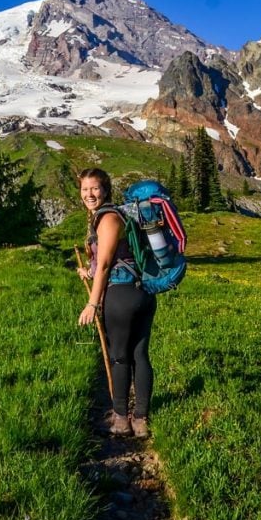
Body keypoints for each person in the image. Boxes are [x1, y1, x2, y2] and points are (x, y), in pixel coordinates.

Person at [76, 168, 157, 438]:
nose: (89, 194)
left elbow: (107, 264)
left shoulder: (108, 218)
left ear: (105, 189)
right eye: (85, 189)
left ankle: (122, 420)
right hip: (142, 293)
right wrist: (88, 271)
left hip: (121, 297)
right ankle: (142, 420)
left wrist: (92, 303)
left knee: (120, 358)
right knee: (140, 355)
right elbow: (105, 261)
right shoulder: (121, 215)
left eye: (95, 188)